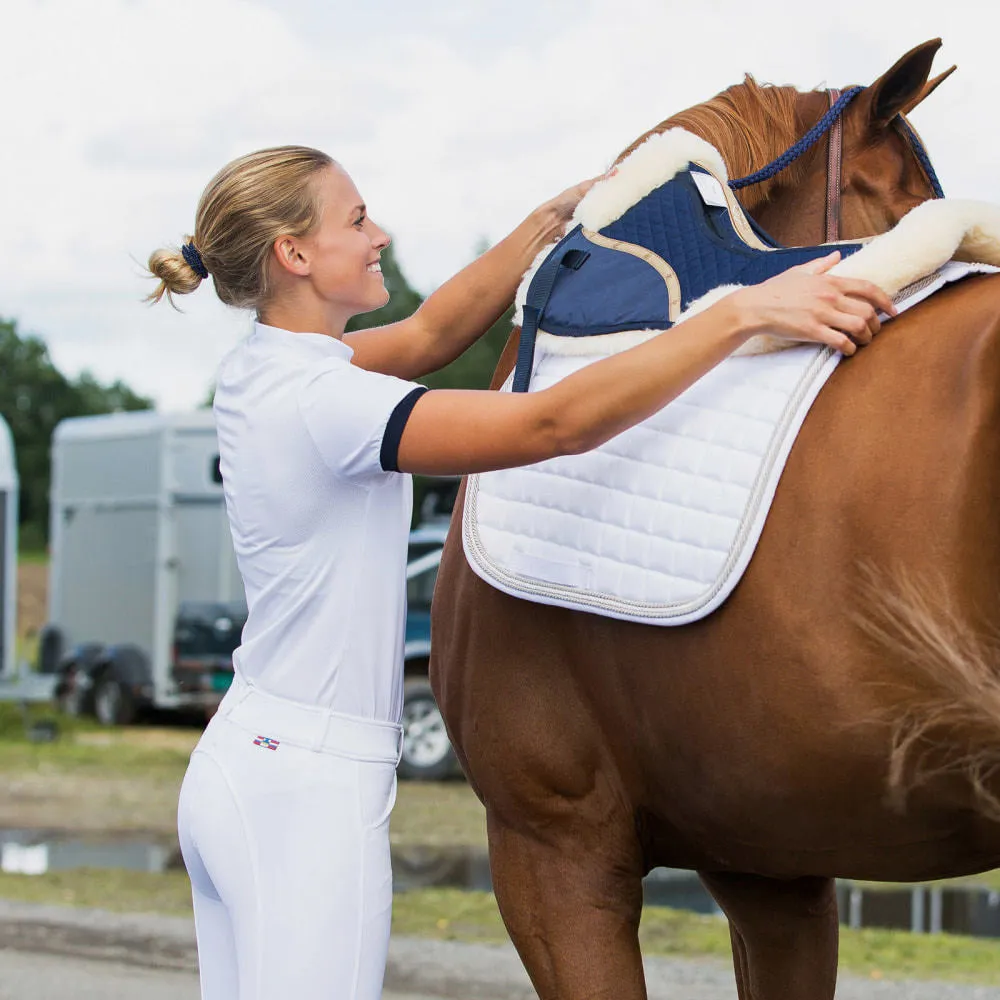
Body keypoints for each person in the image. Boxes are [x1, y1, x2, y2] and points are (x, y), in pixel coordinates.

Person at [148, 145, 892, 1000]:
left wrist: (558, 218)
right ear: (295, 253)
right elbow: (549, 426)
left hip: (246, 762)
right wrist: (741, 316)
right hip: (306, 793)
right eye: (356, 221)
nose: (379, 234)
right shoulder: (330, 402)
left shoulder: (268, 368)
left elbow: (433, 335)